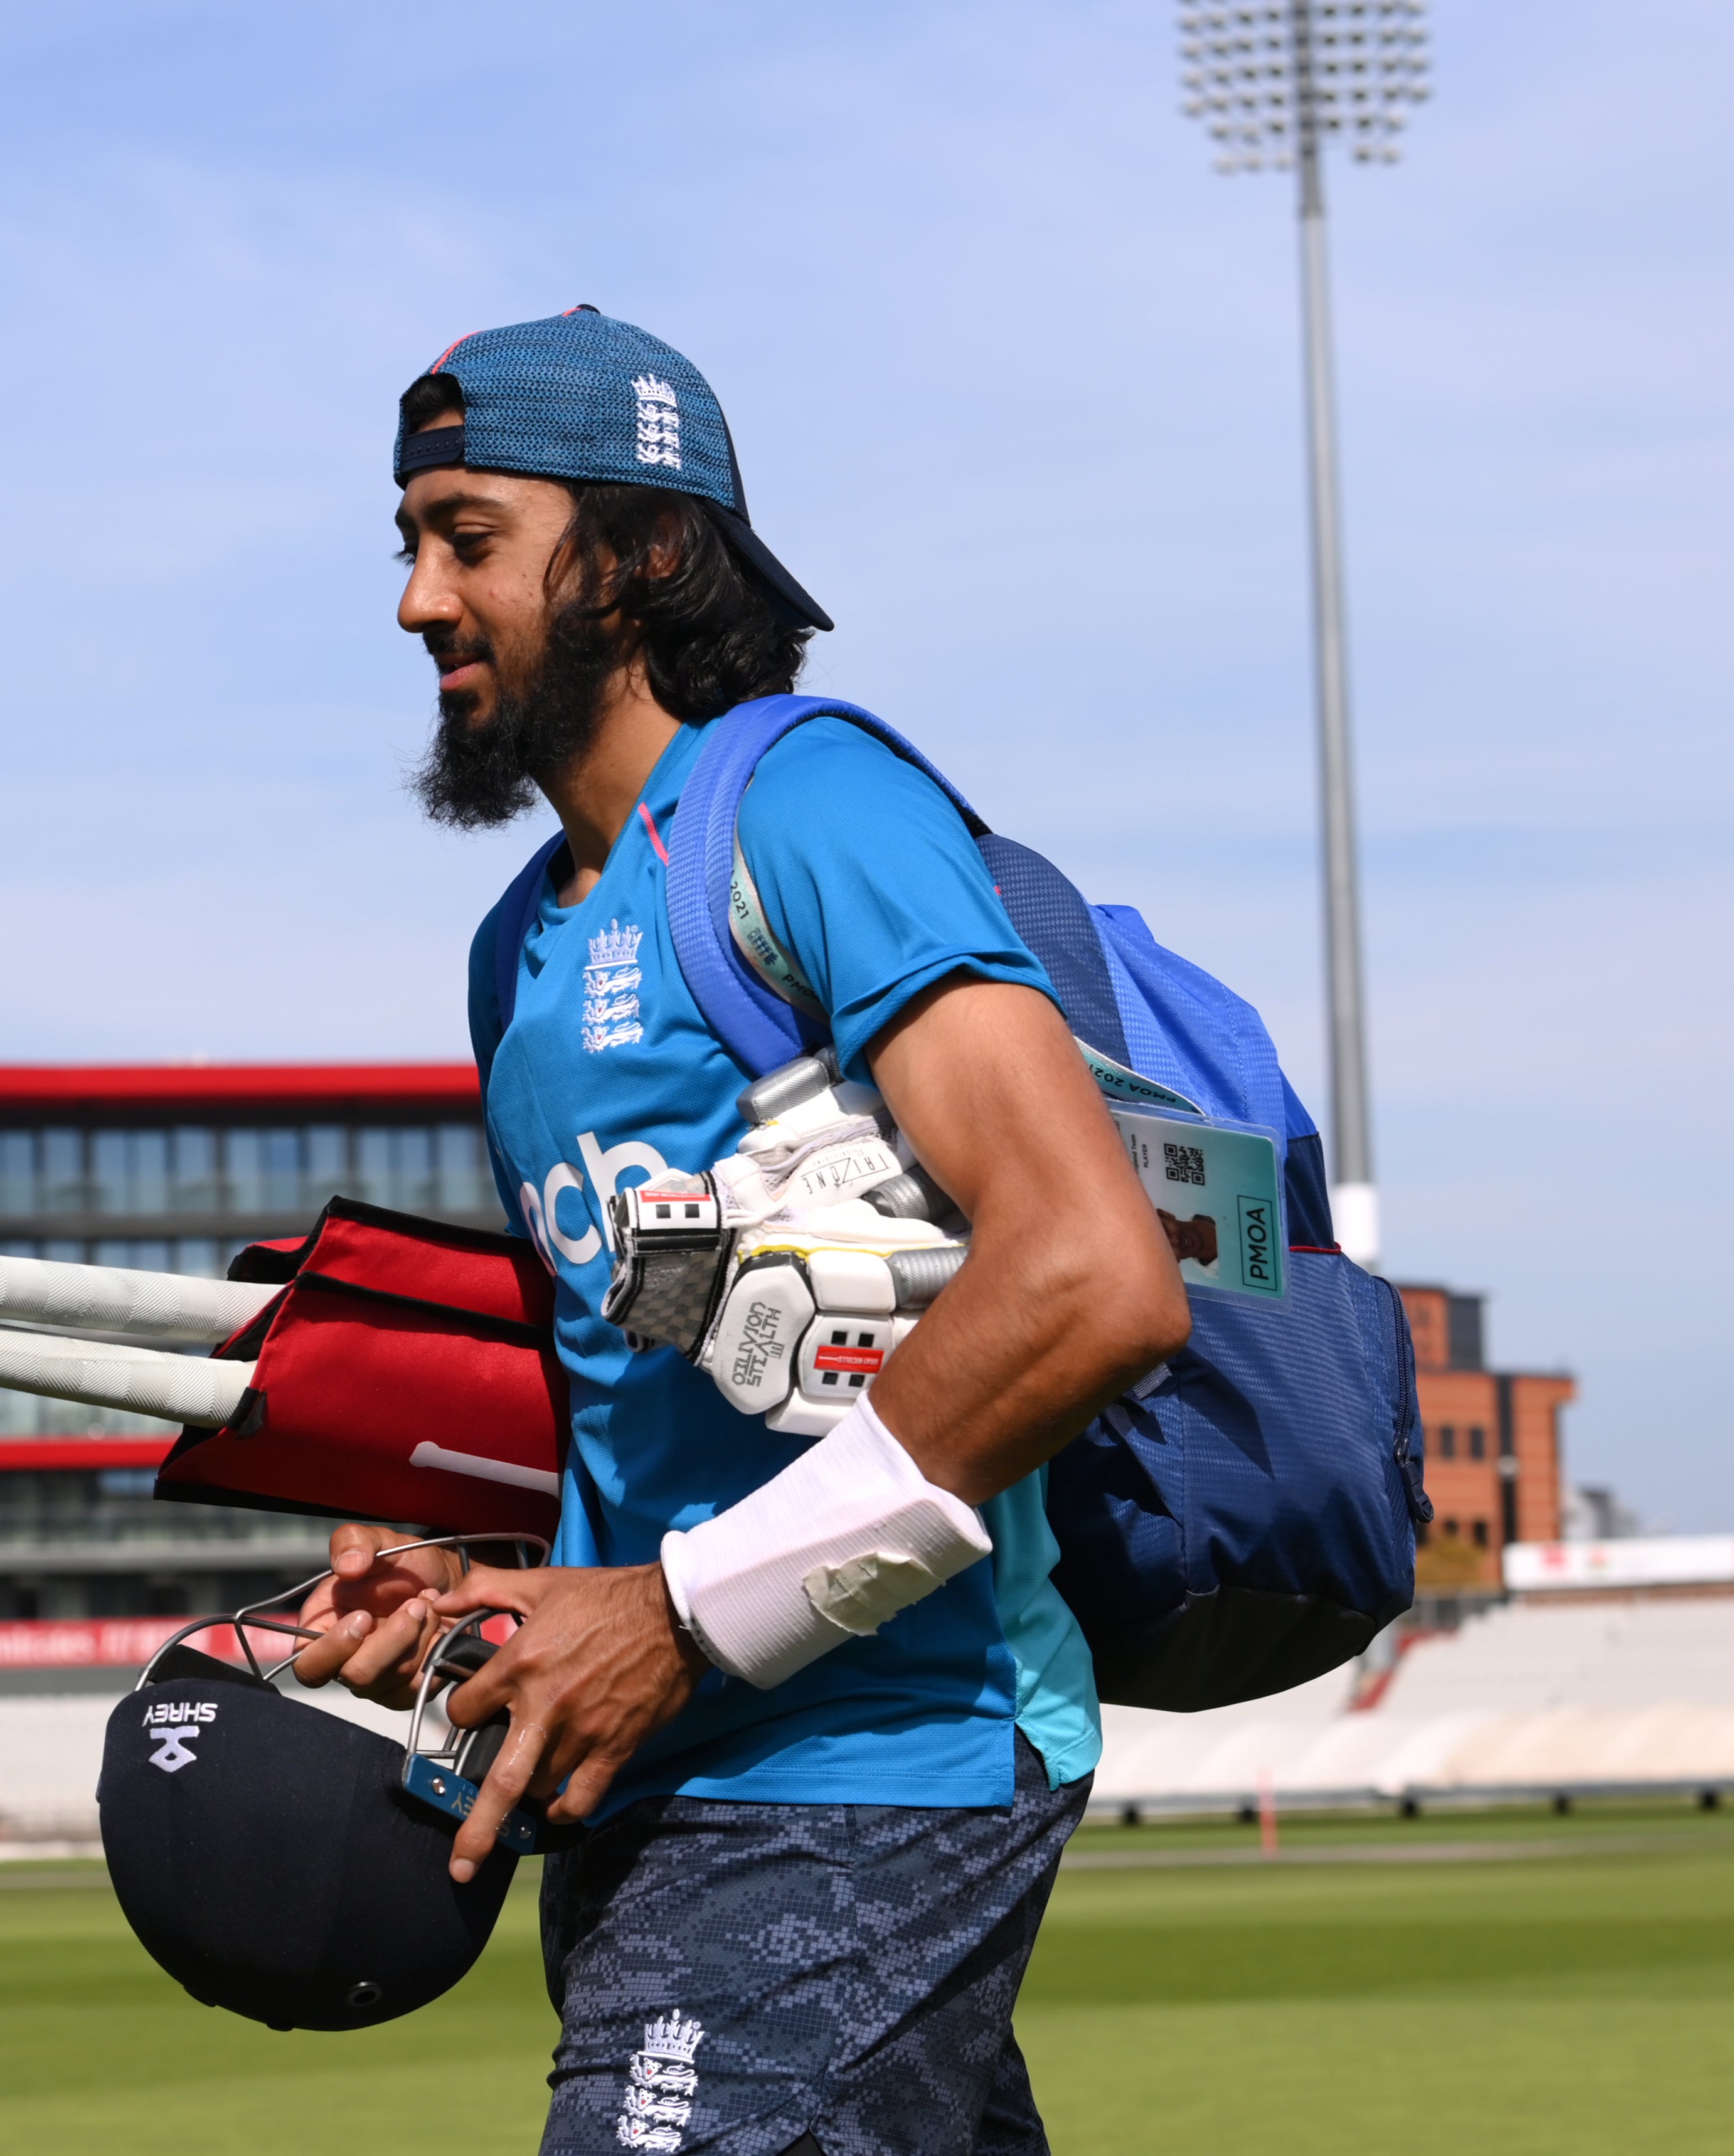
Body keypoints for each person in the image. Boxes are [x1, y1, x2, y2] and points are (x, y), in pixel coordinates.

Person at [292, 305, 1189, 2156]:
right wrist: (482, 1587)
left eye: (467, 536)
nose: (414, 602)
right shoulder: (515, 949)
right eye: (407, 545)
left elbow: (1092, 1277)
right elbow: (647, 1415)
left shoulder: (811, 804)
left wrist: (680, 1618)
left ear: (638, 556)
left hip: (881, 1756)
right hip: (637, 1784)